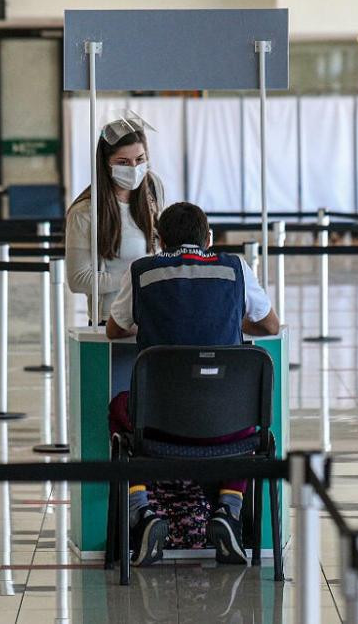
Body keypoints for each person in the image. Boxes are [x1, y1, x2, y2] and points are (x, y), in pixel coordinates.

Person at [106, 202, 280, 567]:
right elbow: (270, 327)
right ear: (208, 239)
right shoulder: (236, 269)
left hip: (157, 429)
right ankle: (228, 511)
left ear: (160, 240)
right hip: (230, 430)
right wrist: (233, 322)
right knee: (247, 412)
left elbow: (114, 330)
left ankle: (143, 513)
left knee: (120, 407)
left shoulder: (143, 271)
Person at [66, 112, 164, 323]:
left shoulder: (152, 187)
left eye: (140, 160)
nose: (134, 169)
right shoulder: (84, 212)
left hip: (155, 315)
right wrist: (138, 278)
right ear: (106, 164)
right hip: (111, 320)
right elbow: (78, 279)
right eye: (123, 162)